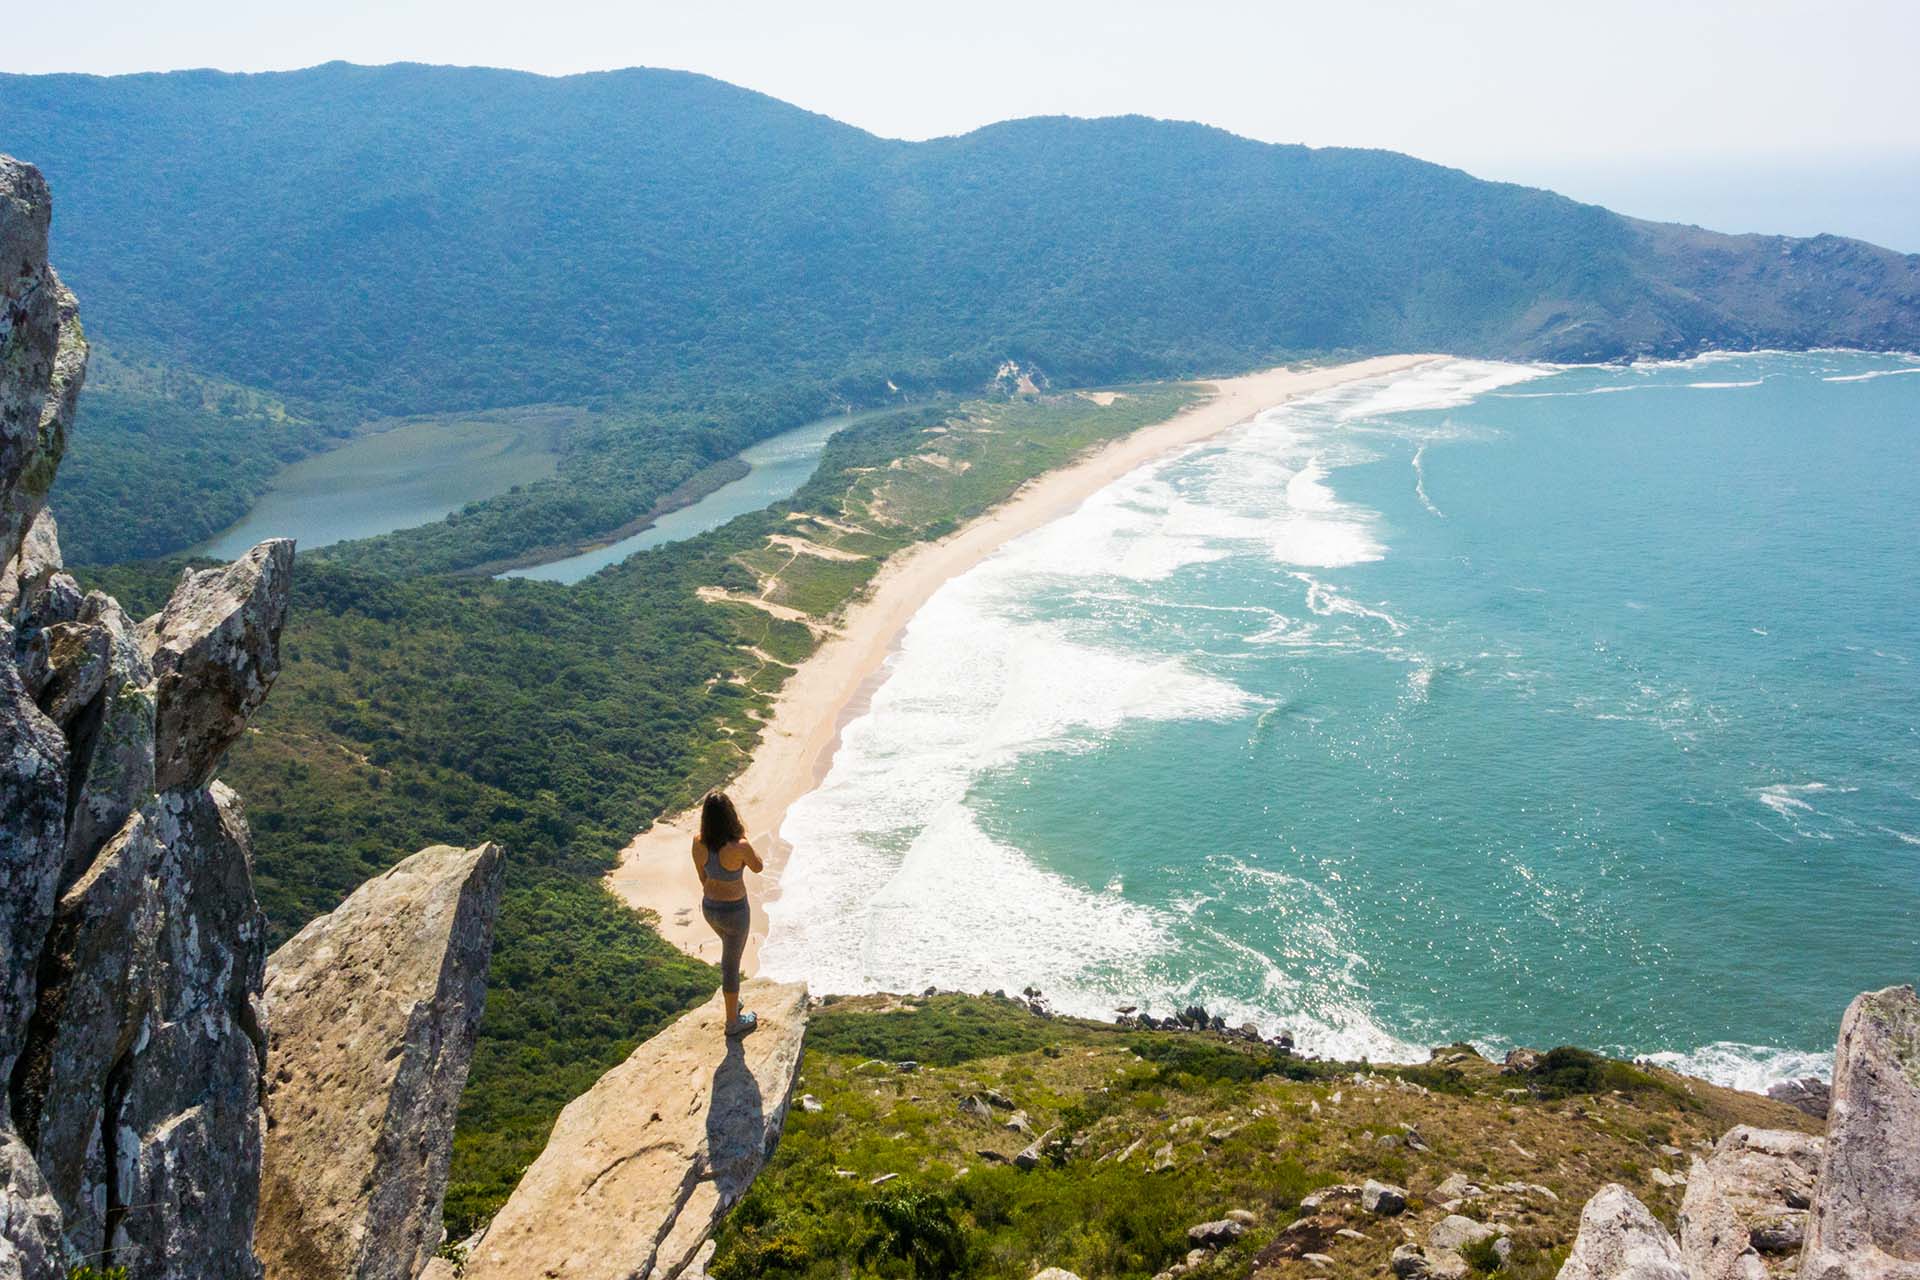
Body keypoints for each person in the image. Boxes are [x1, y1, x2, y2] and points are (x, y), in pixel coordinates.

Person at [693, 791, 764, 1036]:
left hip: (710, 908)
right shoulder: (739, 846)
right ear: (731, 815)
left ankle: (732, 1002)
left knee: (728, 955)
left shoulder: (698, 841)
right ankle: (732, 1022)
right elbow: (758, 866)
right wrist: (743, 845)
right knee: (731, 966)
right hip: (735, 912)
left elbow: (703, 877)